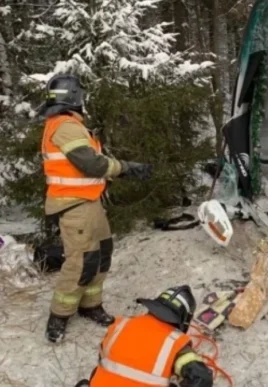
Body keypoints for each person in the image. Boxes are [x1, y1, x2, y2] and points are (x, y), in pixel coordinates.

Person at [40, 73, 153, 342]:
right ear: (74, 97)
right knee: (81, 261)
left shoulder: (69, 124)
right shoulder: (65, 126)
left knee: (102, 253)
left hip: (88, 202)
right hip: (73, 205)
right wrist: (127, 168)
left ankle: (91, 305)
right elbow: (91, 164)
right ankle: (59, 316)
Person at [75, 285, 214, 387]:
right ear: (184, 318)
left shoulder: (121, 324)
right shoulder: (176, 343)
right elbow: (201, 379)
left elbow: (105, 359)